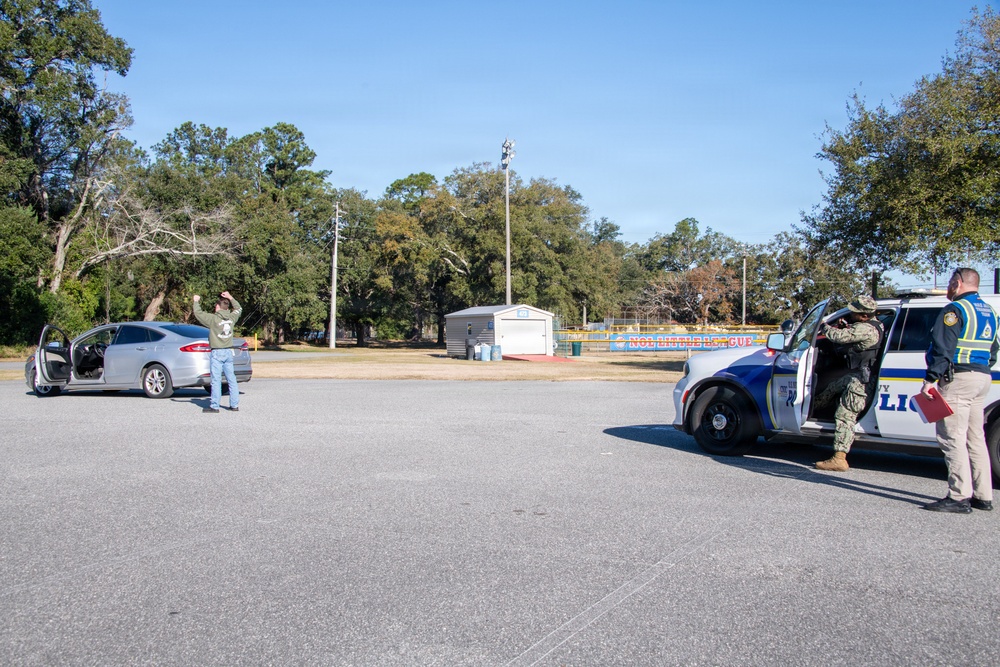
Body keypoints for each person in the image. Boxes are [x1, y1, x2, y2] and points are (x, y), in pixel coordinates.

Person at [920, 268, 997, 513]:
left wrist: (931, 379)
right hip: (982, 377)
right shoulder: (989, 312)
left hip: (959, 379)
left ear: (958, 282)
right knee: (976, 438)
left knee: (952, 436)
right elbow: (994, 350)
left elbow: (943, 349)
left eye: (951, 282)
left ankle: (959, 497)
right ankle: (983, 496)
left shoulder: (955, 310)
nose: (948, 287)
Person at [813, 295, 883, 472]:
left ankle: (839, 458)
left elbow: (839, 337)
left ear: (865, 316)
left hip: (860, 382)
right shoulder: (875, 325)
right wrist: (848, 325)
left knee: (845, 416)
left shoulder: (866, 329)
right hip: (855, 376)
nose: (852, 315)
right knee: (830, 389)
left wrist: (822, 326)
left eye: (855, 314)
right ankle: (811, 409)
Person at [193, 290, 243, 413]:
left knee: (216, 380)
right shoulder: (232, 317)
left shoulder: (213, 319)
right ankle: (234, 405)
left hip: (217, 352)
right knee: (231, 379)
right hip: (228, 352)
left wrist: (196, 301)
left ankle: (215, 406)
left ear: (217, 307)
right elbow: (239, 308)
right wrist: (231, 297)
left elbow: (198, 313)